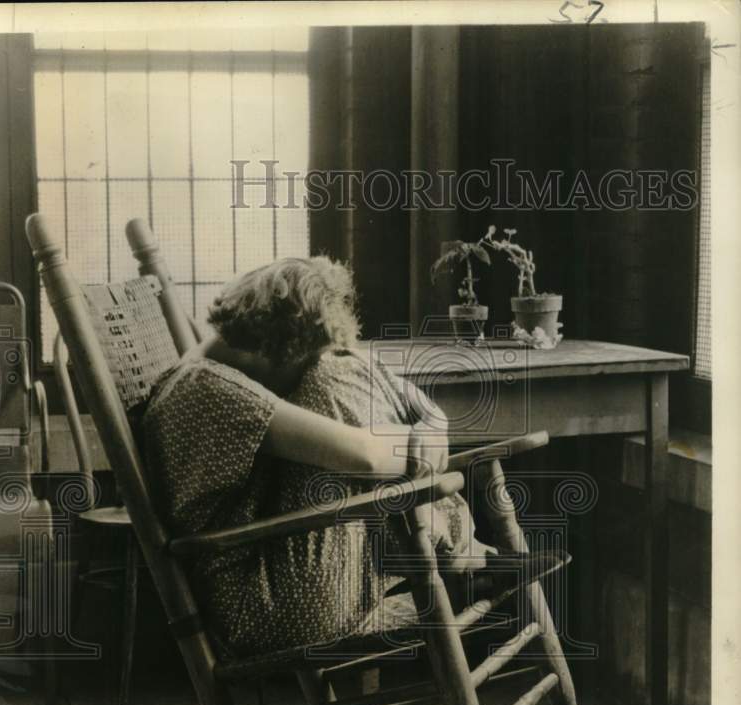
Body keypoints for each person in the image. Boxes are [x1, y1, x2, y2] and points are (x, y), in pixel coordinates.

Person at [142, 256, 561, 659]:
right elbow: (366, 458)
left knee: (348, 367)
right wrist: (427, 439)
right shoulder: (206, 388)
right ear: (281, 350)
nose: (310, 366)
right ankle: (464, 561)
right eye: (306, 357)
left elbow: (385, 395)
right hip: (267, 601)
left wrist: (429, 421)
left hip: (282, 568)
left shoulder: (211, 367)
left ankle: (464, 561)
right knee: (334, 378)